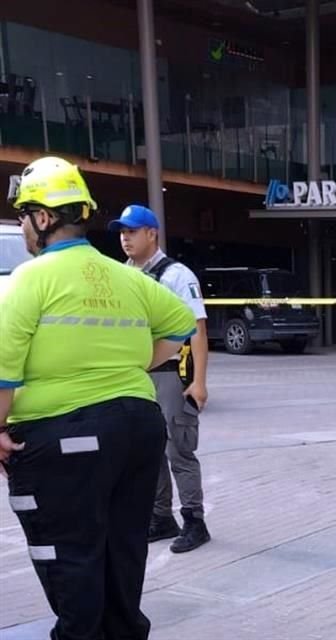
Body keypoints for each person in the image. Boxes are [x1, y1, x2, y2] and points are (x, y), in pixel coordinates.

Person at [0, 156, 197, 640]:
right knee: (122, 550)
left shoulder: (30, 279)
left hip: (62, 435)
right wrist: (129, 367)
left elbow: (2, 369)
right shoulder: (127, 276)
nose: (24, 226)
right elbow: (181, 324)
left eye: (25, 215)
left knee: (68, 555)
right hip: (136, 428)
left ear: (43, 218)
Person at [109, 205, 211, 553]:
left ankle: (194, 521)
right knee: (147, 451)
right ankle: (161, 518)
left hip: (171, 376)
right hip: (137, 377)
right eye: (122, 232)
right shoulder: (121, 273)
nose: (125, 238)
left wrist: (199, 382)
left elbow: (197, 329)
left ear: (152, 233)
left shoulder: (178, 275)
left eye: (132, 231)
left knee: (178, 450)